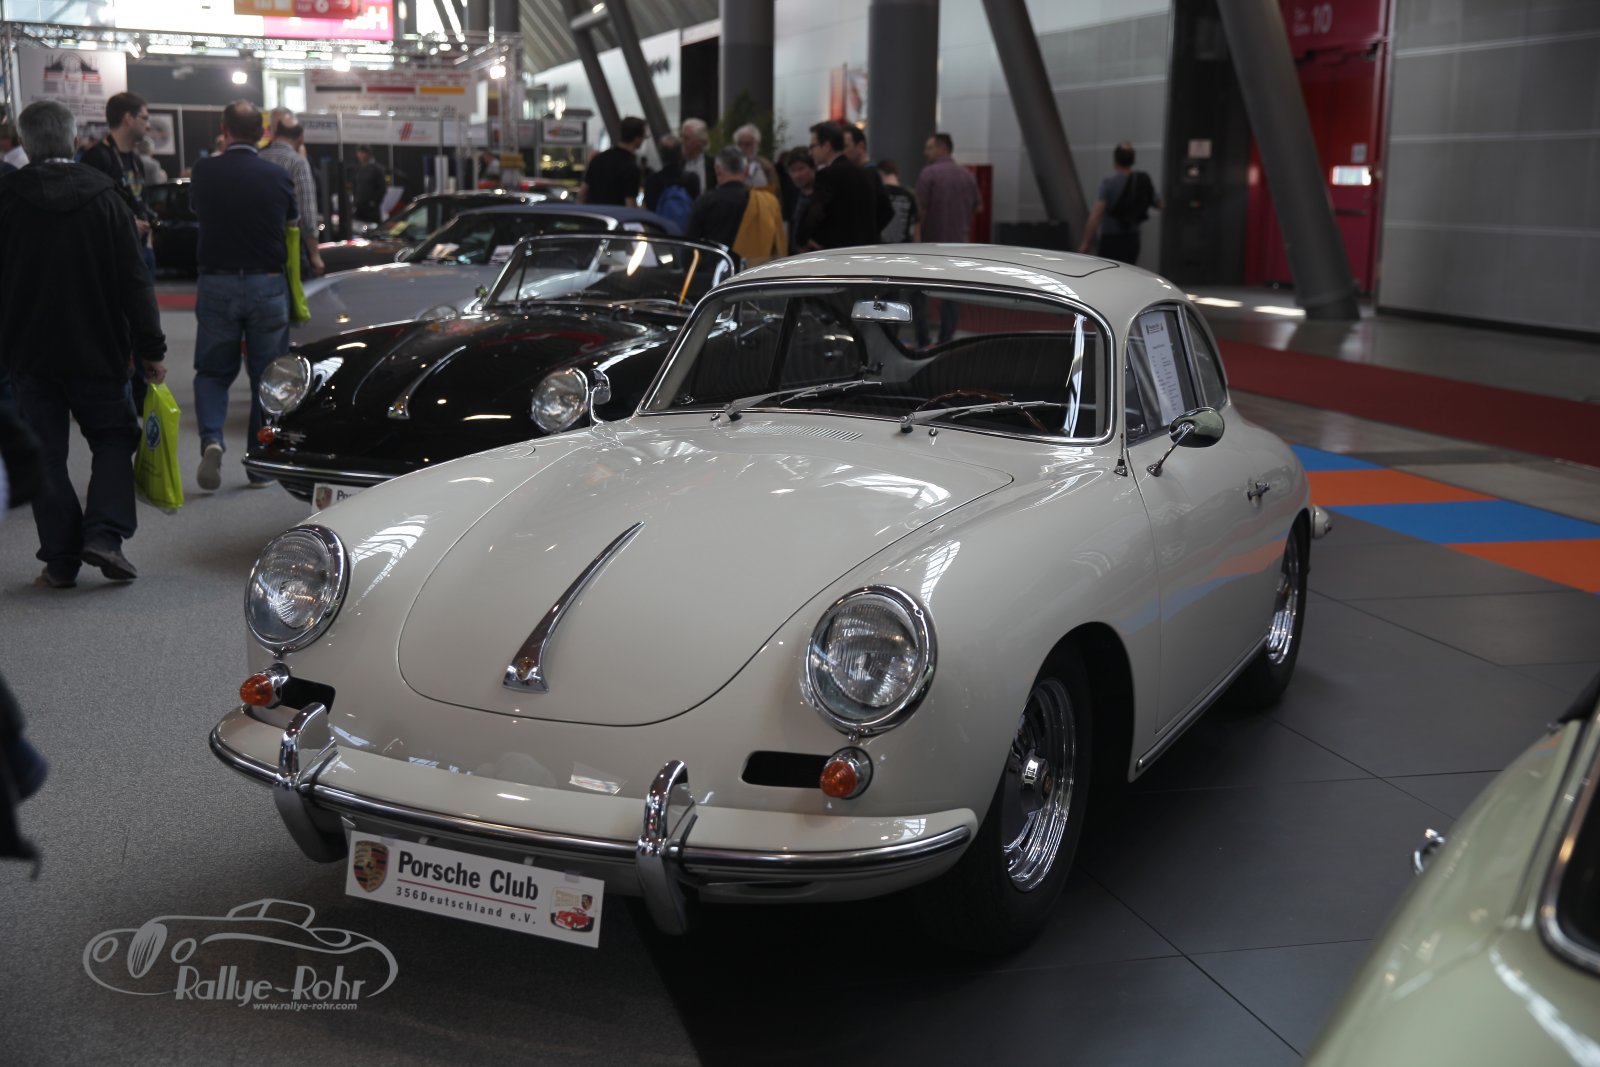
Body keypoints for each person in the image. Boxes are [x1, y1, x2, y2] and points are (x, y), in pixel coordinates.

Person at [0, 99, 167, 586]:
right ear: (74, 142)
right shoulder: (106, 198)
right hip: (99, 347)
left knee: (45, 452)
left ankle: (60, 559)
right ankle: (105, 535)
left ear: (25, 144)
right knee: (113, 438)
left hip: (29, 353)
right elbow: (134, 283)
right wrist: (151, 349)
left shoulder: (6, 199)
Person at [190, 99, 297, 492]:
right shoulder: (278, 176)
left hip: (216, 282)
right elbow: (292, 224)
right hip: (267, 284)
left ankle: (212, 439)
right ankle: (259, 464)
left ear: (224, 129)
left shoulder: (203, 171)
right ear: (263, 134)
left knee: (213, 372)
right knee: (267, 376)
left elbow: (197, 211)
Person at [915, 132, 982, 345]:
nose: (925, 152)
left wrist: (916, 240)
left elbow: (920, 212)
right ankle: (946, 341)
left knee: (919, 293)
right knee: (952, 295)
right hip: (958, 245)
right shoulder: (967, 176)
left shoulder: (928, 174)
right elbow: (978, 208)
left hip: (930, 245)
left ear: (941, 148)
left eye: (929, 148)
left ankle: (923, 341)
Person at [80, 92, 155, 271]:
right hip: (112, 257)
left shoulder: (136, 160)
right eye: (144, 118)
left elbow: (140, 199)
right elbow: (89, 212)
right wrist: (126, 225)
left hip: (141, 250)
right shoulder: (96, 158)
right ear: (128, 118)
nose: (148, 125)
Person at [1080, 142, 1161, 265]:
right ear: (1133, 160)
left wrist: (1086, 243)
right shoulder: (1142, 182)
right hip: (1133, 239)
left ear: (1116, 161)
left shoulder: (1109, 184)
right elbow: (1160, 204)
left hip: (1111, 240)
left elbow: (1096, 215)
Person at [261, 122, 325, 276]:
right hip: (289, 246)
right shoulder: (298, 162)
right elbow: (307, 213)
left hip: (257, 246)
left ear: (275, 135)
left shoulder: (258, 157)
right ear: (301, 139)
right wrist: (314, 254)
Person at [804, 121, 881, 249]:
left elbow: (817, 212)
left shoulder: (826, 175)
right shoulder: (864, 173)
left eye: (813, 146)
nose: (810, 152)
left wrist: (805, 237)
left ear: (827, 146)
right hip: (866, 248)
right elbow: (885, 210)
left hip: (837, 250)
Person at [687, 145, 752, 248]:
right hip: (754, 259)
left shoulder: (704, 202)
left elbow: (690, 244)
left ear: (717, 169)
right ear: (747, 170)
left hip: (714, 258)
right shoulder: (760, 202)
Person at [580, 116, 644, 207]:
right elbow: (630, 205)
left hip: (595, 214)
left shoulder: (598, 159)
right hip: (617, 215)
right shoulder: (630, 167)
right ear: (637, 139)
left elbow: (582, 195)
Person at [842, 124, 893, 232]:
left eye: (845, 146)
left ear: (860, 146)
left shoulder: (869, 175)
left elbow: (886, 211)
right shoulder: (865, 173)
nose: (842, 152)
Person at [877, 159, 919, 244]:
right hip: (903, 247)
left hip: (881, 247)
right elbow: (916, 226)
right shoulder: (910, 195)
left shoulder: (878, 194)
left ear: (881, 173)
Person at [784, 147, 817, 252]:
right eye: (792, 170)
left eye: (801, 169)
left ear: (812, 168)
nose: (797, 175)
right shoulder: (792, 195)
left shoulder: (823, 194)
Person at [732, 123, 778, 190]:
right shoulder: (727, 165)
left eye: (747, 144)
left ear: (756, 145)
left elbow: (775, 190)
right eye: (739, 144)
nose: (742, 148)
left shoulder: (766, 166)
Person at [350, 144, 387, 223]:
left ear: (368, 154)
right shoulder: (358, 168)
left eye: (362, 153)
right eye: (358, 153)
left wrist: (373, 203)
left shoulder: (377, 169)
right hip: (359, 207)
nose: (360, 155)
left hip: (371, 209)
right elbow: (355, 186)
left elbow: (382, 189)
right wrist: (355, 201)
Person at [679, 117, 709, 200]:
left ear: (699, 141)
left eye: (686, 138)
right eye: (681, 137)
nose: (682, 141)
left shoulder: (713, 165)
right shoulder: (678, 165)